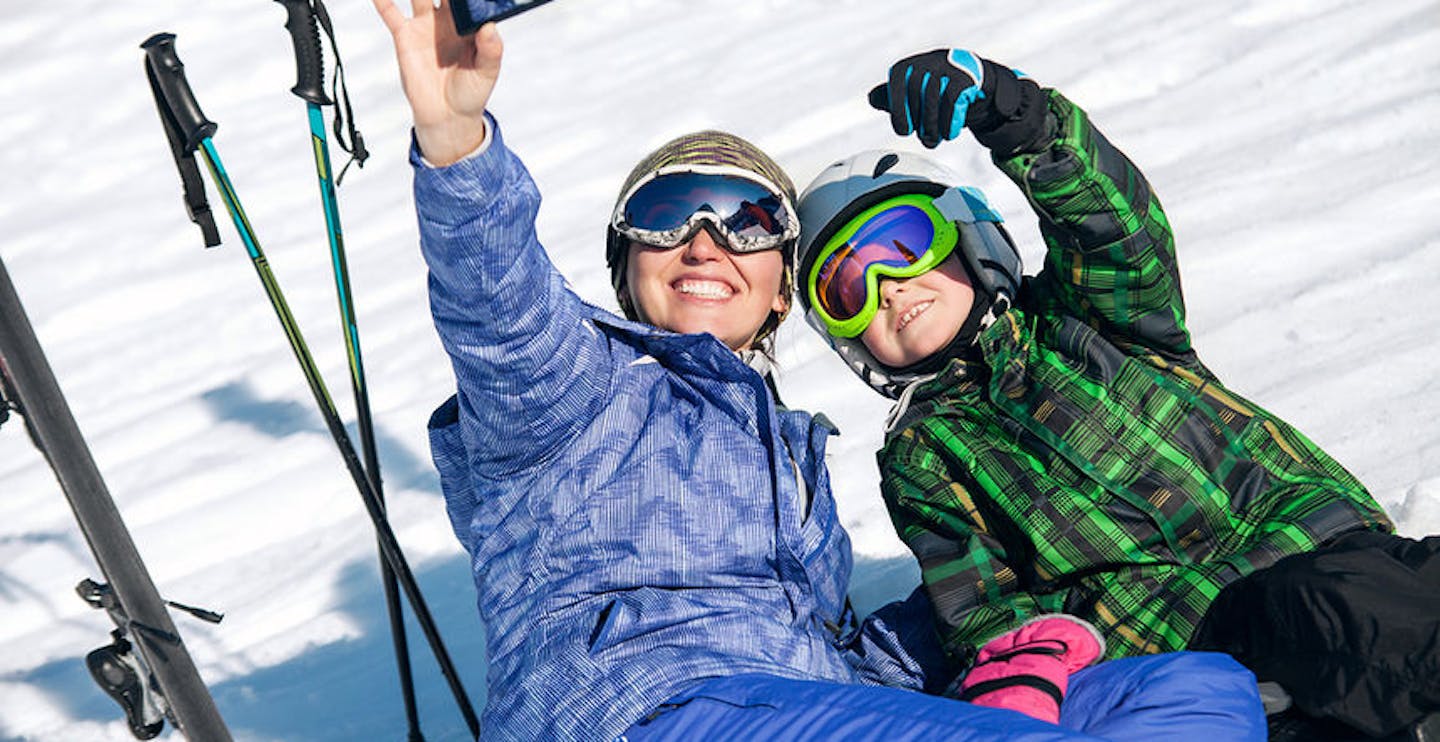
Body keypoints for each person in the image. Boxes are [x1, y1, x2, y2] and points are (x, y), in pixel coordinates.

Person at [370, 4, 1266, 739]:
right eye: (669, 212)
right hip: (646, 706)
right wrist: (457, 144)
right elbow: (495, 306)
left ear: (780, 295)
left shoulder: (789, 456)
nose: (707, 241)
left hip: (792, 701)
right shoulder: (572, 390)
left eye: (751, 218)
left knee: (1195, 690)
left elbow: (810, 649)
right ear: (624, 267)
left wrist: (999, 626)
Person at [793, 47, 1440, 739]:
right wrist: (1023, 671)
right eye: (845, 290)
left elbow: (1114, 227)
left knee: (1352, 606)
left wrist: (1015, 116)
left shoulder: (1085, 318)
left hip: (1319, 554)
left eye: (903, 243)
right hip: (1191, 647)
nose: (887, 288)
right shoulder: (924, 459)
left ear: (969, 235)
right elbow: (984, 605)